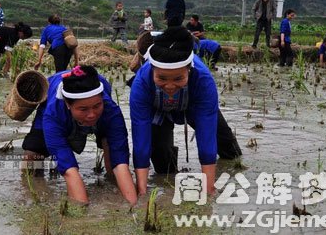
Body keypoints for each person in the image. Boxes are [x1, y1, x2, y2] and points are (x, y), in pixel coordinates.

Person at [130, 26, 242, 196]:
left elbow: (206, 138)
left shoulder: (203, 80)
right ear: (152, 70)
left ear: (189, 69)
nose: (169, 86)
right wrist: (142, 192)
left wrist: (209, 188)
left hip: (194, 106)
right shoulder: (141, 84)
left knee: (229, 151)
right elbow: (141, 140)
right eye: (161, 78)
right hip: (157, 109)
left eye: (178, 78)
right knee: (162, 166)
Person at [22, 65, 137, 205]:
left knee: (113, 161)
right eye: (83, 109)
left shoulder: (110, 110)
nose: (91, 115)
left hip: (103, 114)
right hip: (55, 111)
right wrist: (82, 210)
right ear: (68, 104)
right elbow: (68, 169)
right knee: (32, 157)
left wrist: (133, 206)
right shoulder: (52, 115)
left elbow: (121, 164)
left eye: (96, 106)